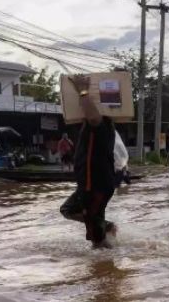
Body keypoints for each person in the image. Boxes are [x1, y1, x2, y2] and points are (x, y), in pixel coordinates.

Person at [59, 74, 118, 249]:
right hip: (88, 185)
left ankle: (105, 269)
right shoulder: (89, 126)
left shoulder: (101, 124)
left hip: (96, 186)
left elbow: (94, 117)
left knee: (96, 239)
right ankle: (105, 226)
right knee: (68, 209)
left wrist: (83, 90)